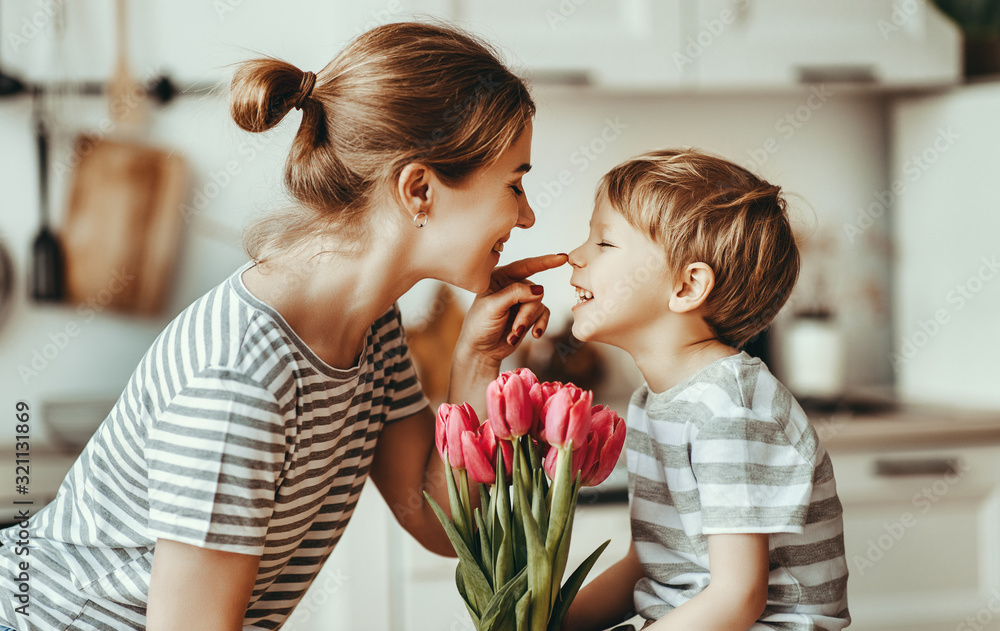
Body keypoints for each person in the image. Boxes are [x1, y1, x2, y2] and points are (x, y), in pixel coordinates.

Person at [0, 22, 567, 630]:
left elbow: (435, 521)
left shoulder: (373, 322)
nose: (527, 216)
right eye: (515, 184)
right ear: (419, 188)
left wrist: (476, 363)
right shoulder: (241, 377)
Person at [561, 149, 850, 631]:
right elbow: (649, 566)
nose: (576, 254)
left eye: (605, 243)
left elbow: (737, 597)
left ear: (687, 286)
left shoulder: (729, 412)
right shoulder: (652, 404)